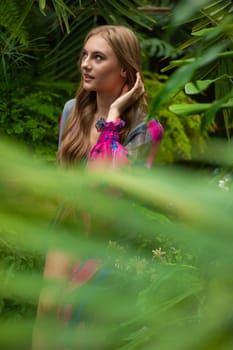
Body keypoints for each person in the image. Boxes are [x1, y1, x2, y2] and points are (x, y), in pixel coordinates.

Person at [32, 24, 164, 350]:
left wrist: (115, 116)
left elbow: (113, 189)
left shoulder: (146, 130)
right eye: (84, 55)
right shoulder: (72, 112)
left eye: (98, 57)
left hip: (111, 238)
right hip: (70, 224)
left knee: (81, 323)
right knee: (48, 310)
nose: (85, 64)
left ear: (124, 70)